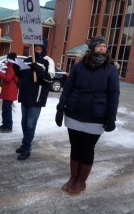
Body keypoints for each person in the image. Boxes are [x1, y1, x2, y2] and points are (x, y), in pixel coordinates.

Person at [55, 36, 120, 195]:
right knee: (75, 147)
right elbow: (68, 88)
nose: (103, 48)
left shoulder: (111, 69)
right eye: (100, 46)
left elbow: (114, 94)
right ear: (92, 48)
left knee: (87, 148)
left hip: (96, 115)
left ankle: (81, 181)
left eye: (105, 46)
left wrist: (111, 116)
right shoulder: (79, 67)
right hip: (75, 112)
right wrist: (60, 107)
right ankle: (73, 178)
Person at [13, 38, 55, 160]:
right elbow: (22, 76)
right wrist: (16, 69)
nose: (38, 47)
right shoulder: (27, 59)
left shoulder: (48, 61)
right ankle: (25, 143)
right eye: (36, 45)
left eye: (40, 46)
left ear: (45, 47)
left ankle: (27, 148)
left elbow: (49, 78)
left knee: (30, 124)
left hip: (37, 97)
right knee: (24, 123)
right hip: (25, 95)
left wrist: (39, 69)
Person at [0, 52, 19, 133]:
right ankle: (5, 124)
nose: (7, 60)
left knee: (7, 110)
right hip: (9, 92)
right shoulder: (12, 67)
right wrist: (4, 70)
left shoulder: (11, 67)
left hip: (9, 92)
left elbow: (8, 78)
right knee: (5, 109)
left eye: (8, 58)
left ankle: (8, 127)